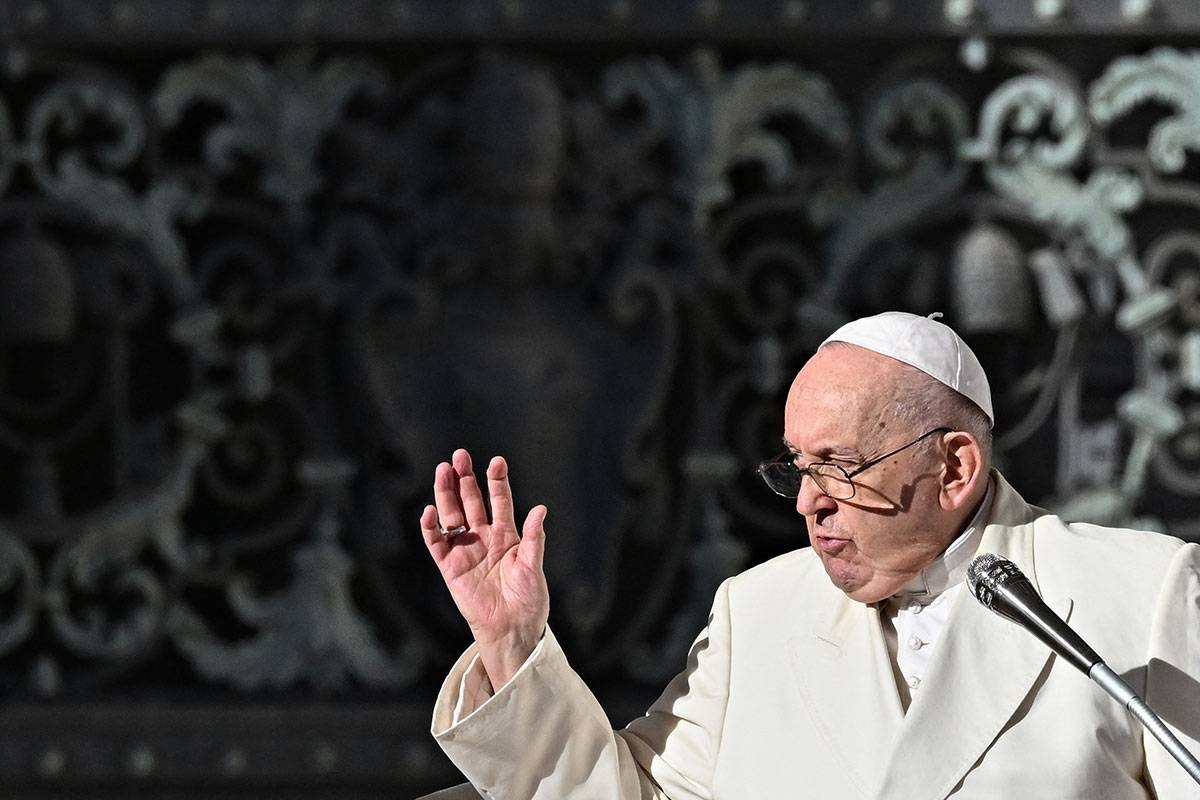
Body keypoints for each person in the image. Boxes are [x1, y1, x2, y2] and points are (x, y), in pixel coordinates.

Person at [419, 311, 1200, 799]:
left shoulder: (1137, 593)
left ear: (955, 469)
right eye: (796, 466)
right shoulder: (758, 614)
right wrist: (513, 643)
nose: (806, 502)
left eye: (840, 467)